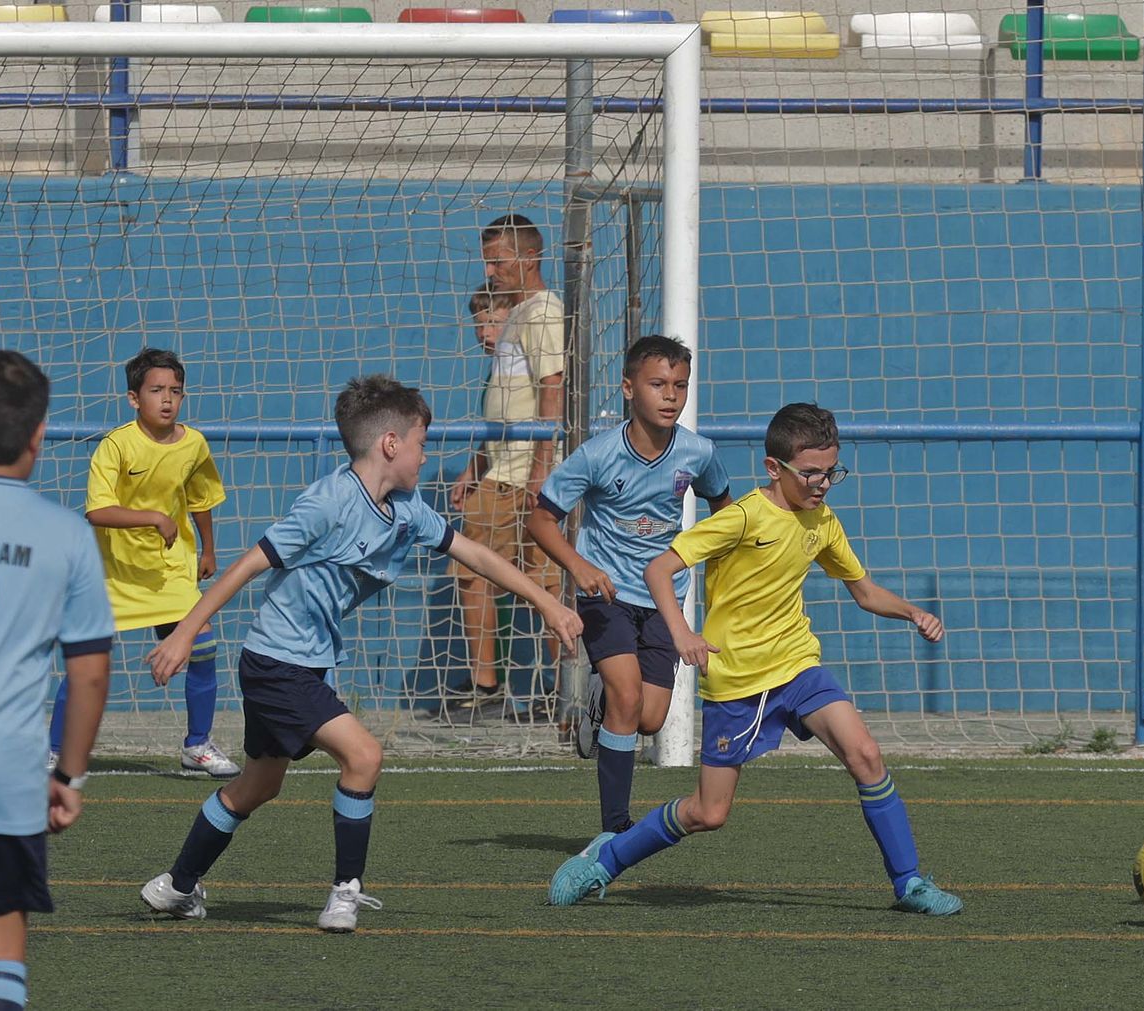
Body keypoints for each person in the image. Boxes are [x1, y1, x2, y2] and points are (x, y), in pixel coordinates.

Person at [140, 375, 582, 932]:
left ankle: (176, 885)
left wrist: (547, 602)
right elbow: (249, 564)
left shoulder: (407, 508)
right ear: (390, 444)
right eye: (422, 442)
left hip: (300, 660)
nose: (427, 455)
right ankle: (344, 895)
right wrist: (184, 633)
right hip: (278, 660)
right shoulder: (327, 502)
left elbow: (476, 555)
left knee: (260, 784)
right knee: (364, 757)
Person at [548, 403, 963, 916]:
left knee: (867, 756)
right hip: (737, 681)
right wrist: (681, 632)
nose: (822, 483)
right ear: (775, 468)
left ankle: (910, 884)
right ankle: (606, 860)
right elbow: (660, 568)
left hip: (796, 667)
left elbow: (864, 591)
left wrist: (912, 612)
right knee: (708, 812)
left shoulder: (823, 522)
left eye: (831, 472)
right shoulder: (742, 517)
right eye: (810, 472)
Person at [0, 350, 113, 1011]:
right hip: (0, 773)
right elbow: (91, 674)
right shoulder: (65, 535)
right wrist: (68, 776)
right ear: (40, 435)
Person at [525, 336, 732, 836]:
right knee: (627, 693)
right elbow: (541, 520)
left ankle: (595, 705)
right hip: (606, 594)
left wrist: (712, 560)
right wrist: (577, 566)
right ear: (627, 388)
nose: (670, 396)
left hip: (665, 598)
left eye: (679, 386)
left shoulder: (698, 453)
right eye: (657, 384)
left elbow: (725, 511)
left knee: (651, 718)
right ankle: (614, 830)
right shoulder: (597, 455)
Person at [48, 348, 236, 778]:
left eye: (175, 391)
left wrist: (208, 549)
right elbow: (97, 512)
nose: (167, 399)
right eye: (156, 391)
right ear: (135, 399)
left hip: (169, 570)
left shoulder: (194, 444)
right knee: (88, 659)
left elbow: (201, 498)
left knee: (204, 645)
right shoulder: (117, 445)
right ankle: (55, 750)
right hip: (114, 573)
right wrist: (152, 517)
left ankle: (197, 745)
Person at [447, 217, 565, 719]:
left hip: (525, 477)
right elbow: (505, 404)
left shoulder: (543, 312)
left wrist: (541, 473)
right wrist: (474, 465)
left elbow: (552, 389)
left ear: (529, 259)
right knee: (476, 574)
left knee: (546, 584)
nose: (490, 271)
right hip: (499, 471)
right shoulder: (514, 316)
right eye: (487, 261)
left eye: (498, 261)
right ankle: (488, 685)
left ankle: (567, 689)